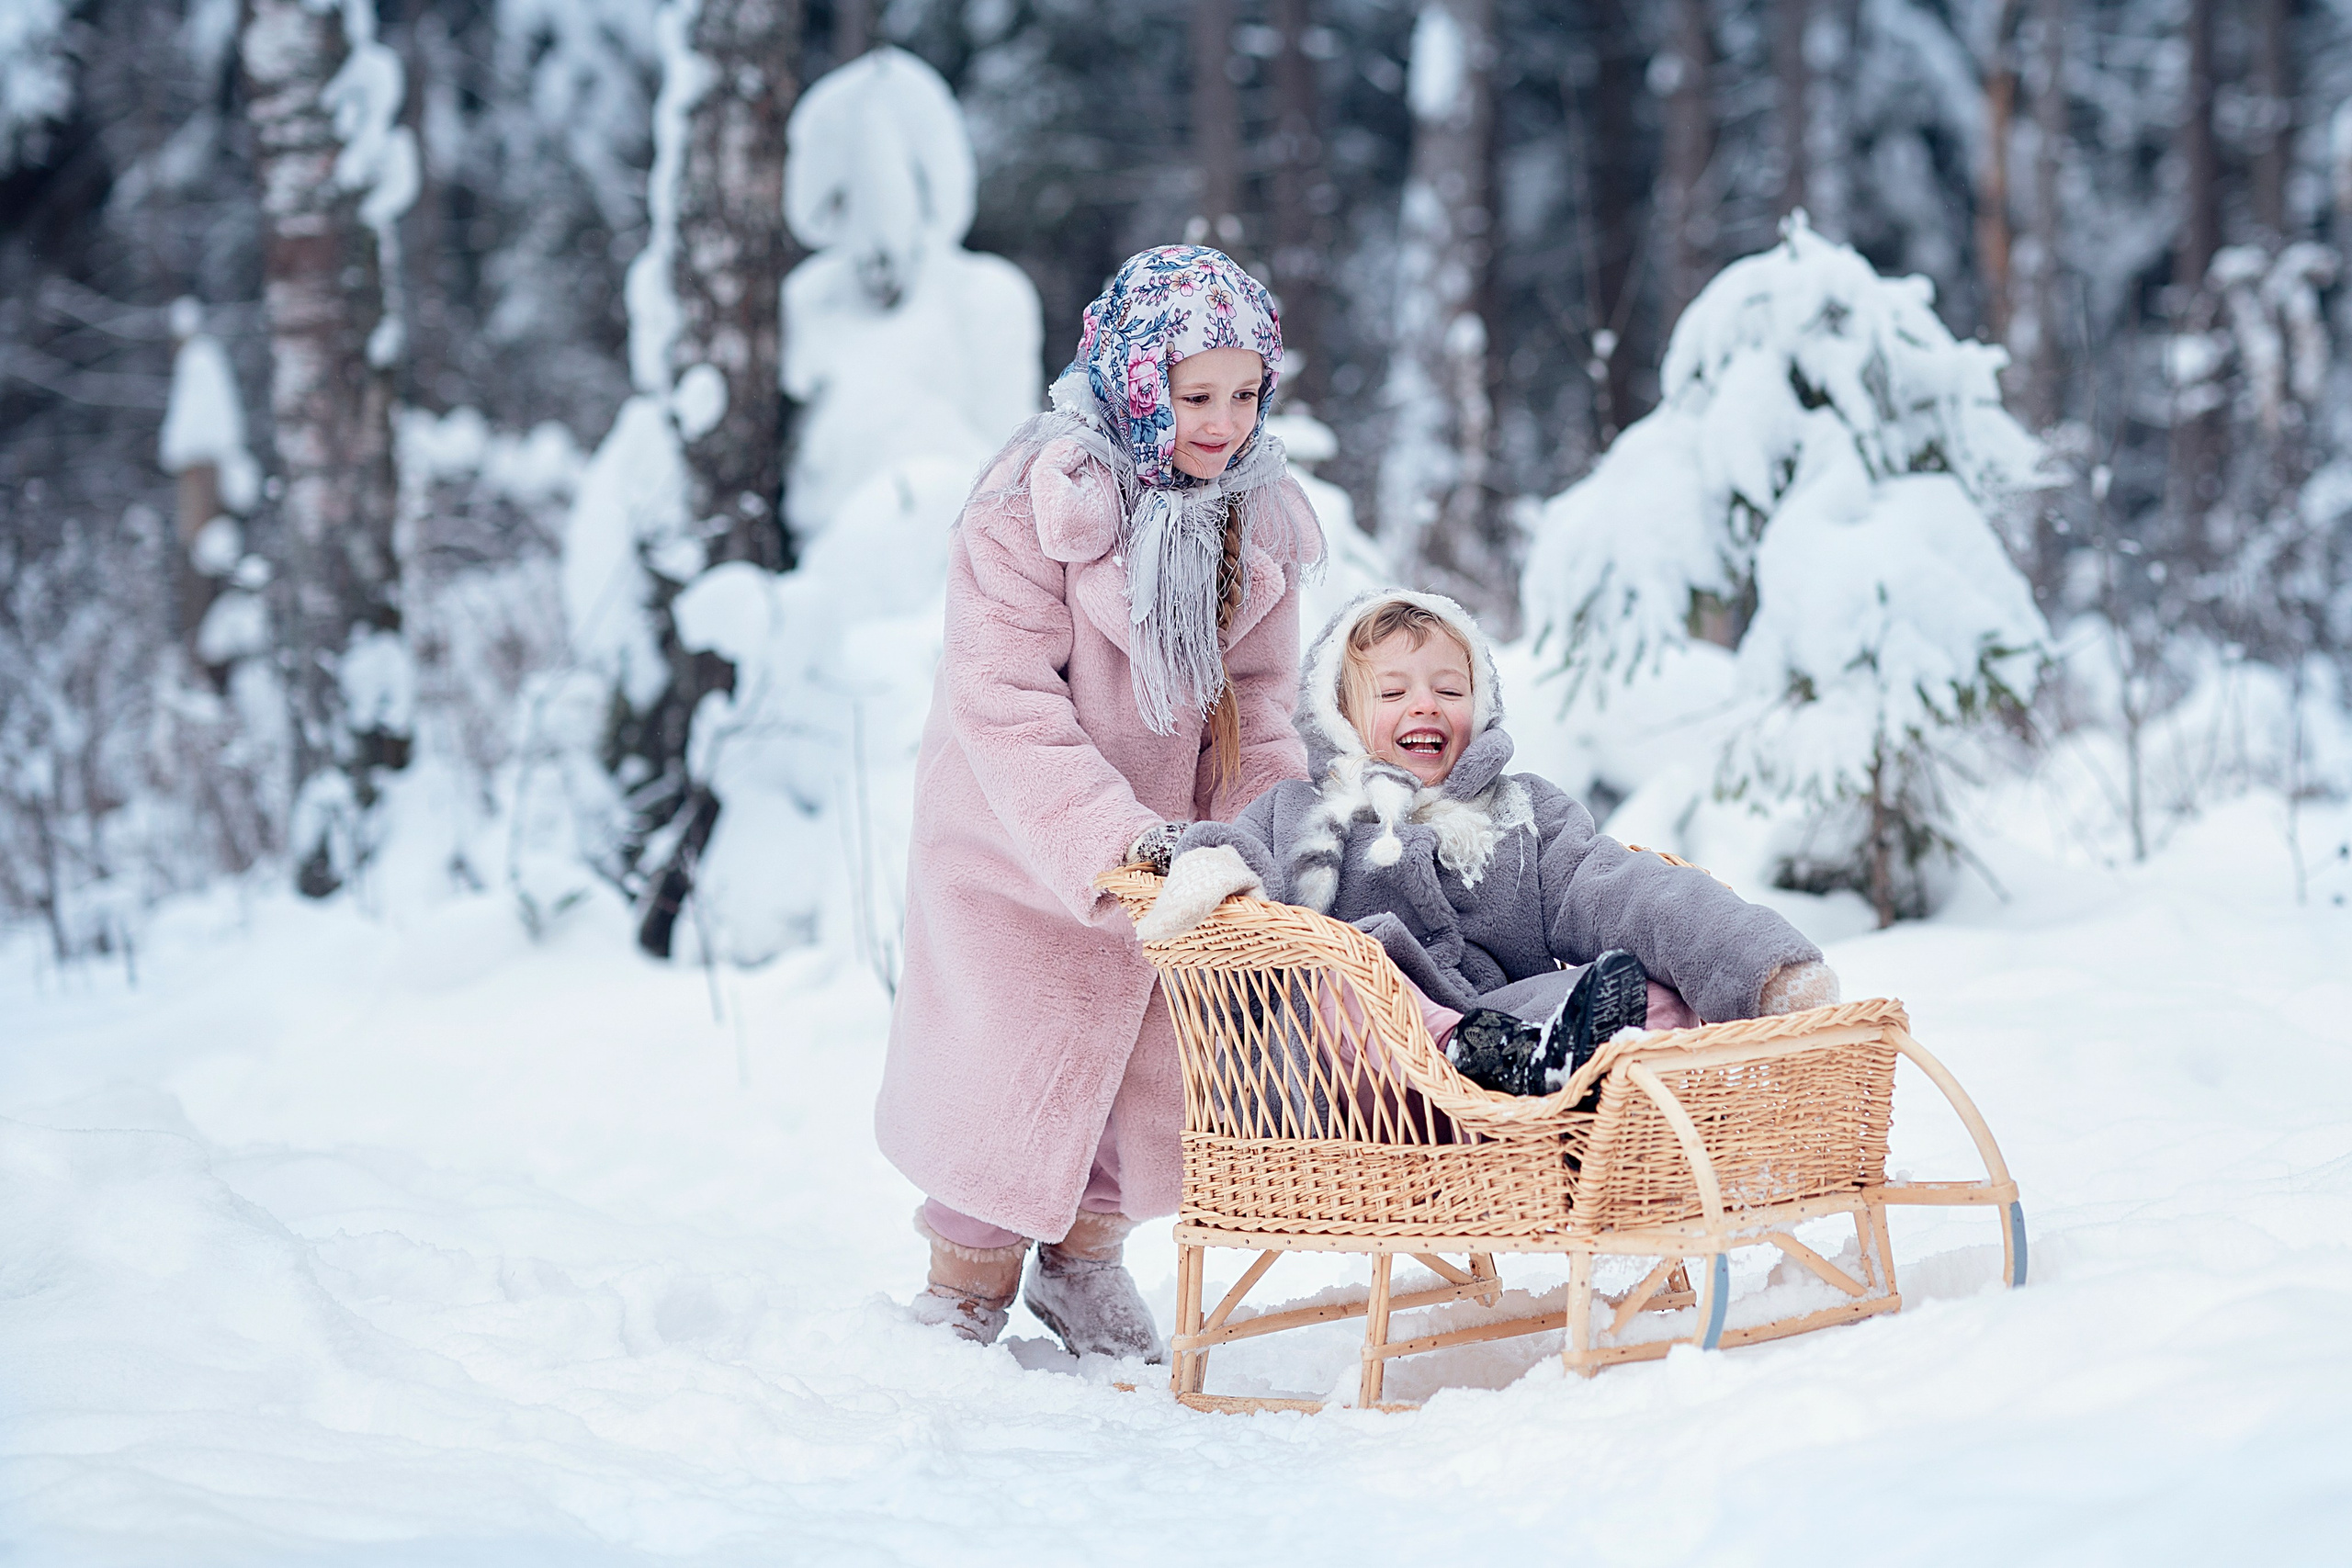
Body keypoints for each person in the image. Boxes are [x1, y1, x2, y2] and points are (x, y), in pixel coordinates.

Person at [875, 246, 1326, 1359]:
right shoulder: (1036, 505)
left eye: (1243, 393)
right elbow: (1005, 699)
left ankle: (1083, 1265)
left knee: (1146, 1065)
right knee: (1007, 1061)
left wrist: (1271, 828)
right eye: (1193, 396)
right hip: (1020, 837)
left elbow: (1259, 699)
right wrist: (1112, 840)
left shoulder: (1253, 516)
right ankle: (966, 1280)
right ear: (1134, 380)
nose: (1221, 423)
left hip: (1181, 851)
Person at [1137, 591, 1841, 1097]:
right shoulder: (1296, 813)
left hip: (1518, 1048)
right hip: (1362, 1089)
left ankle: (1538, 1073)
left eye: (1450, 687)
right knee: (1339, 977)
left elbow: (1629, 890)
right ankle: (1467, 1055)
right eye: (1393, 693)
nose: (1425, 705)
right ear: (1339, 716)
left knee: (1650, 990)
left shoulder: (1520, 815)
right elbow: (1236, 868)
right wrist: (1202, 859)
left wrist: (1761, 967)